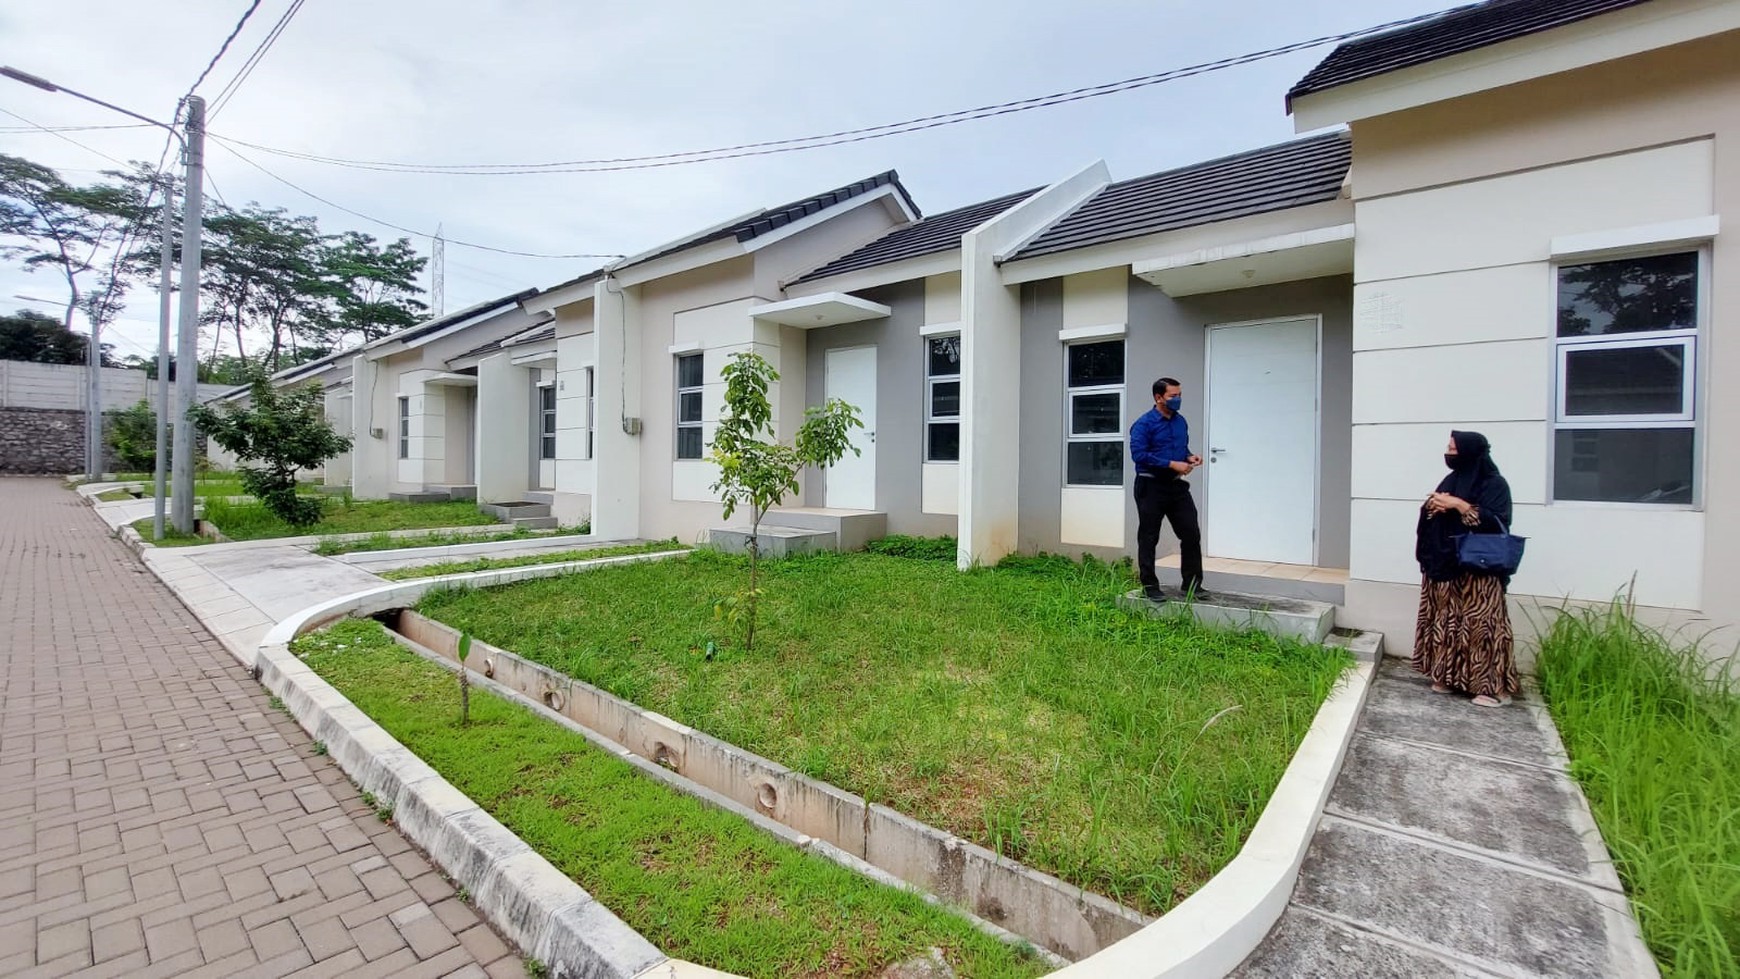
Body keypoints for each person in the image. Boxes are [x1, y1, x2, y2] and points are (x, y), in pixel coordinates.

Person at [1414, 430, 1519, 707]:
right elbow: (1431, 515)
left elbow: (1496, 522)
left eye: (1453, 449)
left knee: (1482, 625)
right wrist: (1435, 508)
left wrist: (1459, 505)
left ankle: (1491, 688)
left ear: (1471, 452)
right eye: (1448, 448)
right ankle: (1448, 677)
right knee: (1447, 622)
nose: (1449, 453)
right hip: (1447, 565)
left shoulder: (1495, 484)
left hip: (1479, 571)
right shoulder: (1451, 480)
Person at [1130, 377, 1206, 602]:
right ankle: (1150, 586)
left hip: (1176, 487)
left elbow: (1180, 448)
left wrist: (1188, 457)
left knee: (1191, 533)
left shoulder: (1180, 421)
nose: (1178, 399)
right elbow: (1139, 455)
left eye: (1179, 395)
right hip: (1150, 486)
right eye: (1173, 396)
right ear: (1158, 397)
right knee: (1149, 537)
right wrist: (1172, 464)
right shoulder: (1143, 424)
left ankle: (1192, 585)